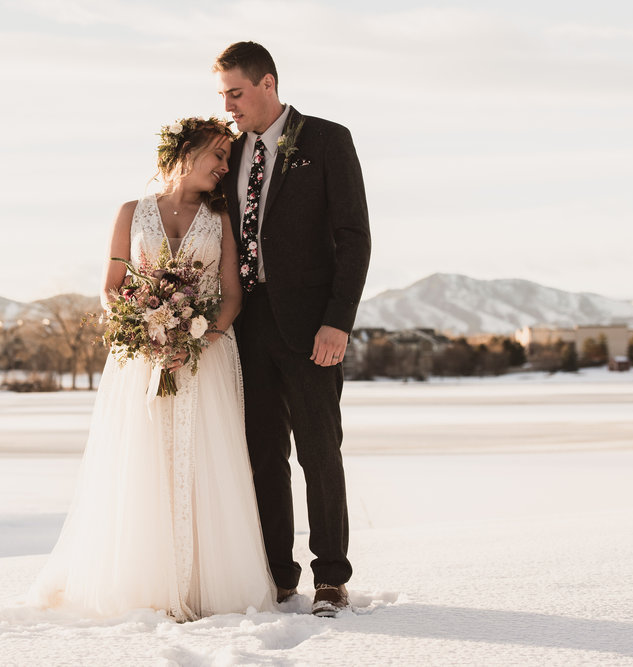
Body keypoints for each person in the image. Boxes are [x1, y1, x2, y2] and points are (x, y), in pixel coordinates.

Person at [29, 117, 276, 622]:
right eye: (218, 156)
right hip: (141, 359)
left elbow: (231, 297)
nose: (225, 166)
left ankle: (207, 586)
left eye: (230, 158)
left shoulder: (222, 216)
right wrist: (144, 327)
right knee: (143, 465)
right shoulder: (130, 212)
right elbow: (111, 286)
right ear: (186, 154)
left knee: (207, 466)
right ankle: (148, 584)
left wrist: (197, 337)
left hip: (204, 360)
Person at [214, 42, 372, 617]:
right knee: (262, 455)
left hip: (312, 329)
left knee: (319, 454)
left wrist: (337, 322)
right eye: (223, 95)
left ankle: (330, 576)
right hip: (246, 326)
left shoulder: (328, 139)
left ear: (268, 84)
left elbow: (354, 237)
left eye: (236, 92)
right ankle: (278, 575)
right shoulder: (226, 152)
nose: (229, 106)